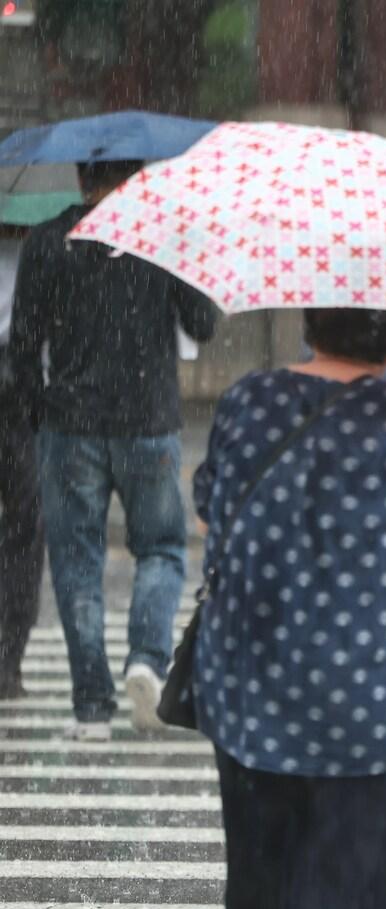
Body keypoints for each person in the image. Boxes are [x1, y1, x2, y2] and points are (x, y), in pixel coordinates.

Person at [192, 307, 386, 909]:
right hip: (364, 705)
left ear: (310, 321)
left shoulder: (248, 399)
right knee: (353, 894)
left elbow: (211, 521)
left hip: (252, 692)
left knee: (263, 888)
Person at [10, 160, 220, 740]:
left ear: (82, 178)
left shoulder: (50, 239)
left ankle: (92, 707)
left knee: (76, 563)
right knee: (161, 549)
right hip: (148, 421)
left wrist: (40, 411)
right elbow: (202, 325)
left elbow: (23, 342)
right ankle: (146, 659)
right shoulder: (161, 238)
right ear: (138, 181)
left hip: (69, 424)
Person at [0, 220, 41, 699]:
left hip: (20, 382)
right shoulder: (44, 242)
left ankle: (9, 657)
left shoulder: (40, 244)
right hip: (20, 384)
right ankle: (8, 658)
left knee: (25, 525)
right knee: (24, 528)